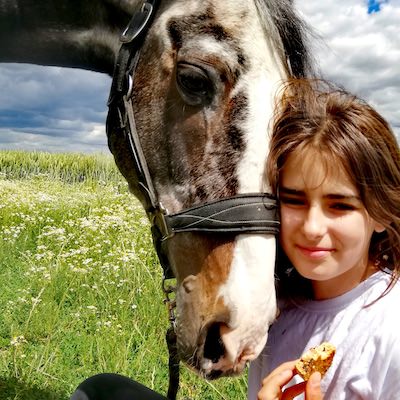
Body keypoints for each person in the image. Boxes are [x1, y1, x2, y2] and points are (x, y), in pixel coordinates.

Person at [248, 78, 400, 400]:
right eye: (294, 200)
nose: (312, 227)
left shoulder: (390, 329)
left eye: (340, 205)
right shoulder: (274, 312)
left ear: (381, 214)